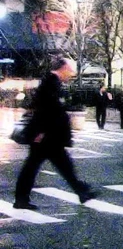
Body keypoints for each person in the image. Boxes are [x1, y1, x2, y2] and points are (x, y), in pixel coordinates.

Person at [13, 60, 99, 210]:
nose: (71, 74)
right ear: (63, 68)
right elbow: (44, 109)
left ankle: (81, 191)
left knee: (61, 166)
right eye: (69, 70)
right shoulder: (50, 83)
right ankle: (21, 199)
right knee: (35, 168)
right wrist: (41, 132)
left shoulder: (52, 83)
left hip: (50, 136)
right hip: (46, 136)